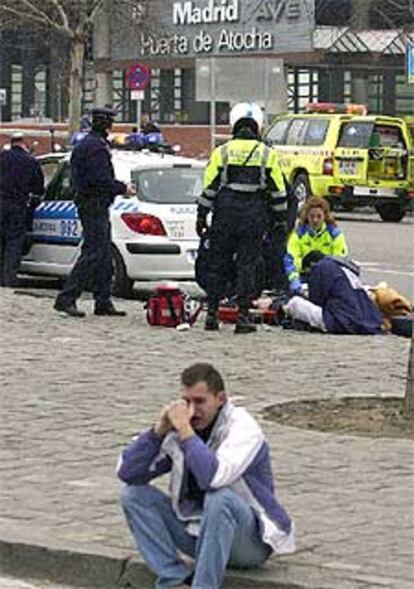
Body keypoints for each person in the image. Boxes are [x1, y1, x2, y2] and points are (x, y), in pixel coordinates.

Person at [118, 362, 295, 589]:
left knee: (219, 498)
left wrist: (185, 432)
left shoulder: (243, 428)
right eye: (187, 401)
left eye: (200, 401)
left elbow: (213, 478)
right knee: (133, 495)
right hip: (200, 532)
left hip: (250, 542)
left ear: (220, 399)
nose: (192, 409)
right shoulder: (183, 426)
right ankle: (174, 580)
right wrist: (158, 431)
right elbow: (127, 472)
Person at [196, 102, 288, 334]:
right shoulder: (268, 154)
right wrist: (280, 220)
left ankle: (212, 315)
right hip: (253, 217)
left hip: (224, 216)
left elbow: (209, 188)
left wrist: (201, 216)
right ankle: (243, 317)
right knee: (247, 266)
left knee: (218, 265)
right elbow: (278, 192)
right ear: (256, 129)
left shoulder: (222, 152)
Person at [54, 106, 136, 318]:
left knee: (104, 254)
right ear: (106, 123)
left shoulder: (90, 144)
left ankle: (103, 300)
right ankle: (67, 298)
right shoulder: (95, 147)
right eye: (109, 121)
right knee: (93, 253)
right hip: (94, 204)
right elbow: (99, 180)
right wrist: (122, 188)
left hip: (93, 204)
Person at [283, 251, 383, 334]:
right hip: (368, 321)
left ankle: (280, 309)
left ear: (311, 265)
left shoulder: (320, 267)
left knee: (295, 303)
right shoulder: (347, 270)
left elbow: (317, 301)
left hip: (340, 321)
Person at [0, 132, 44, 287]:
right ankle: (9, 279)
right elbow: (38, 188)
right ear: (24, 142)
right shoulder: (30, 161)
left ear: (11, 142)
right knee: (13, 243)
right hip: (17, 206)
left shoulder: (2, 157)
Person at [284, 197, 348, 295]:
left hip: (327, 278)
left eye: (319, 216)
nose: (315, 220)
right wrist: (294, 281)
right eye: (312, 216)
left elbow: (340, 261)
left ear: (325, 216)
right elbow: (291, 260)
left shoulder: (335, 235)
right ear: (306, 216)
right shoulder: (298, 235)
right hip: (303, 277)